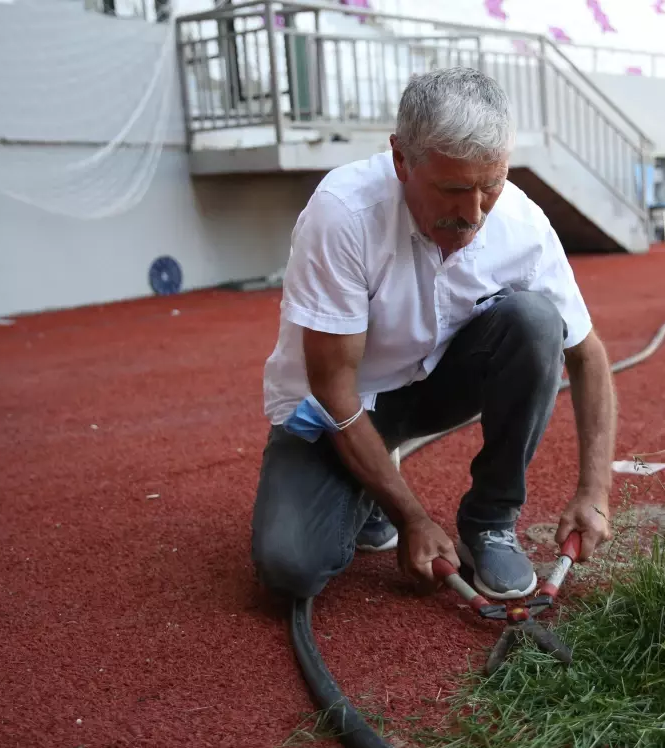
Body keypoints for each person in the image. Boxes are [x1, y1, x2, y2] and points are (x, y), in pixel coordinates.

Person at [250, 66, 617, 603]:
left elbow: (587, 358)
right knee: (290, 571)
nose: (472, 215)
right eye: (452, 189)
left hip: (430, 387)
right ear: (401, 159)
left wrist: (595, 493)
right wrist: (414, 516)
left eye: (490, 186)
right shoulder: (344, 214)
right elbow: (333, 390)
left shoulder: (521, 223)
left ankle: (490, 521)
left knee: (536, 322)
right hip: (339, 406)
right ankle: (369, 488)